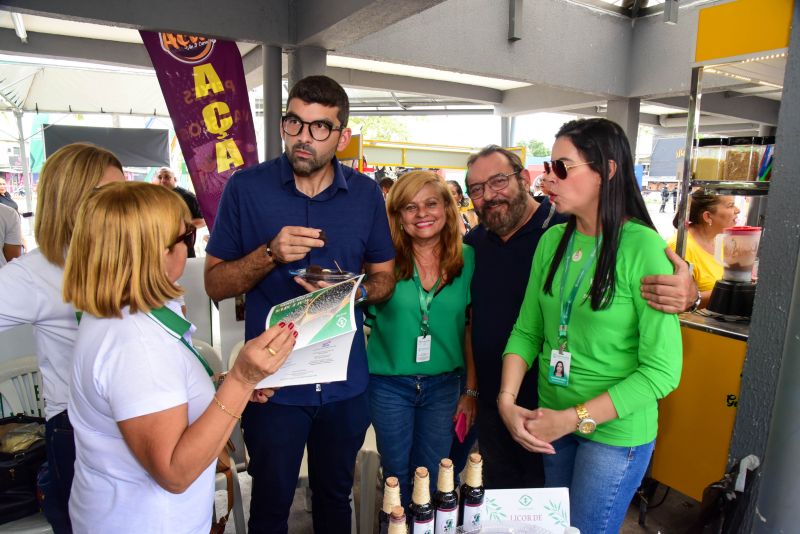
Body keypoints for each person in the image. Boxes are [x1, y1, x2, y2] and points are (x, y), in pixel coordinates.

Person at [205, 75, 396, 534]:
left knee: (334, 500)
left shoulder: (366, 194)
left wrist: (352, 293)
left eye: (319, 128)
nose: (303, 138)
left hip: (343, 382)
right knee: (271, 503)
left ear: (342, 137)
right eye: (294, 123)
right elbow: (214, 283)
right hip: (273, 385)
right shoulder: (246, 188)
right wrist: (269, 253)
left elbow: (386, 276)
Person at [62, 182, 295, 533]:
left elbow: (158, 399)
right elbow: (174, 471)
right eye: (185, 235)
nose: (190, 246)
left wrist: (226, 387)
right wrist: (241, 379)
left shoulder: (121, 316)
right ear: (152, 251)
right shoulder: (136, 343)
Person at [464, 145, 695, 491]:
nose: (488, 196)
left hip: (569, 409)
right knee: (508, 502)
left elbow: (647, 278)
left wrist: (690, 294)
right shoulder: (475, 243)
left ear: (524, 179)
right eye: (476, 189)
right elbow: (494, 323)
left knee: (564, 508)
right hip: (504, 401)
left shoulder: (564, 226)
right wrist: (486, 394)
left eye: (498, 181)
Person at [497, 118, 683, 534]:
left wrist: (572, 418)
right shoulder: (551, 241)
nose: (549, 178)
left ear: (608, 172)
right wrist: (507, 400)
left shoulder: (644, 249)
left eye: (563, 167)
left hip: (614, 434)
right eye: (549, 166)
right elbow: (527, 331)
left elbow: (662, 371)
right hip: (552, 421)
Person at [0, 143, 124, 533]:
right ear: (72, 200)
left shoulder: (135, 255)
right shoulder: (35, 273)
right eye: (109, 195)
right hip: (79, 430)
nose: (124, 204)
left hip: (144, 418)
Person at [365, 170, 476, 505]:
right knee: (396, 481)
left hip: (444, 387)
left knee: (431, 480)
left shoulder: (468, 260)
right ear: (398, 215)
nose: (422, 213)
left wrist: (471, 390)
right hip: (388, 386)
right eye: (410, 207)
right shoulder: (381, 263)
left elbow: (471, 327)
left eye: (431, 203)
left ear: (448, 207)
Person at [668, 191, 739, 309]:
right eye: (730, 205)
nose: (737, 210)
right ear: (707, 216)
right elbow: (680, 300)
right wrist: (730, 292)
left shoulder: (722, 241)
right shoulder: (681, 247)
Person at [158, 167, 205, 258]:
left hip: (184, 248)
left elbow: (202, 221)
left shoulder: (188, 197)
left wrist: (181, 226)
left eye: (167, 177)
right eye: (160, 177)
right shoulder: (156, 197)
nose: (163, 180)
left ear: (175, 179)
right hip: (162, 248)